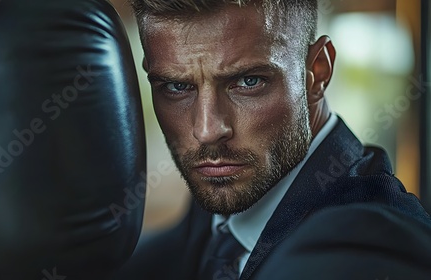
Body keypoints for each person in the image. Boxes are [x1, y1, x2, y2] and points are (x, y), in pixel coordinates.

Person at [114, 0, 431, 279]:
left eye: (248, 81)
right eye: (176, 87)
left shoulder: (369, 240)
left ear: (317, 72)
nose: (207, 131)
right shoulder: (218, 212)